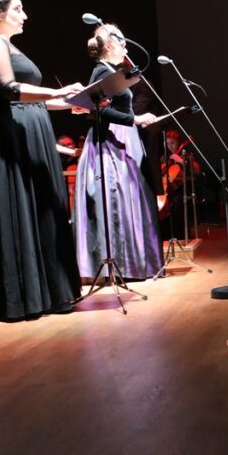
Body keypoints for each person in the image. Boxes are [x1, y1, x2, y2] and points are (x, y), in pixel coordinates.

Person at [0, 0, 83, 319]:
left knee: (44, 211)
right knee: (25, 210)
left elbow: (34, 102)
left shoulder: (6, 43)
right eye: (18, 8)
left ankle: (50, 292)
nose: (25, 14)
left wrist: (68, 103)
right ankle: (25, 297)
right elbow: (10, 90)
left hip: (28, 130)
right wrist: (58, 91)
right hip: (13, 138)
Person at [74, 23, 162, 281]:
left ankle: (135, 263)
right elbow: (100, 110)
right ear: (110, 45)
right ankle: (123, 265)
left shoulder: (112, 71)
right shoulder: (102, 71)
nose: (125, 47)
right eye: (122, 42)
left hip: (121, 140)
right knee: (116, 202)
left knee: (131, 201)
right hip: (110, 145)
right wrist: (135, 119)